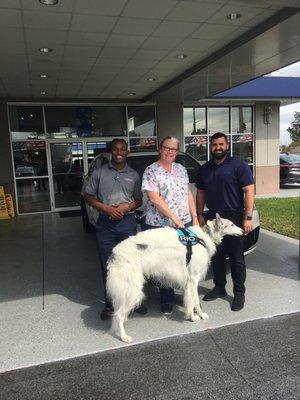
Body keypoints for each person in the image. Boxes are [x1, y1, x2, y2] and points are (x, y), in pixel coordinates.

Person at [84, 139, 145, 320]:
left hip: (127, 223)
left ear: (127, 152)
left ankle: (135, 302)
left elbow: (139, 200)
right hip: (105, 225)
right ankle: (110, 305)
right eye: (116, 149)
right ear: (111, 151)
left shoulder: (133, 175)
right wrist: (106, 208)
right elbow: (88, 196)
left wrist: (127, 207)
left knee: (133, 264)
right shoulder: (100, 172)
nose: (119, 152)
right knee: (108, 266)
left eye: (123, 149)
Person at [195, 132, 254, 311]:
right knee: (217, 256)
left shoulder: (239, 165)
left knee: (236, 257)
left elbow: (249, 190)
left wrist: (248, 217)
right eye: (214, 145)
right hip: (212, 218)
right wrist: (199, 215)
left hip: (234, 216)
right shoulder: (204, 168)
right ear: (210, 147)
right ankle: (219, 287)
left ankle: (239, 293)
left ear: (227, 145)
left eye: (221, 144)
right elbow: (200, 193)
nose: (217, 148)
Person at [141, 136, 199, 315]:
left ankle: (187, 297)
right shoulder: (151, 171)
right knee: (165, 264)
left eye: (174, 149)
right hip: (160, 225)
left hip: (184, 223)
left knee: (184, 261)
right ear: (160, 148)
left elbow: (187, 193)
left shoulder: (181, 169)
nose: (170, 151)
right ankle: (166, 299)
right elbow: (154, 198)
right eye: (167, 148)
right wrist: (175, 218)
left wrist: (195, 217)